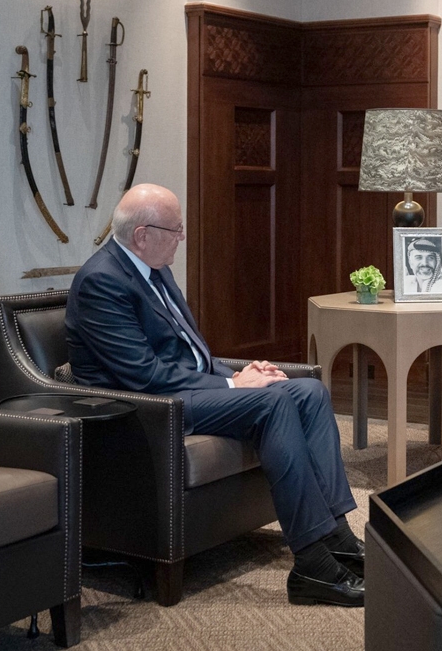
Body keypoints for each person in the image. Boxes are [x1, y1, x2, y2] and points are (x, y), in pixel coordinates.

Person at [65, 184, 365, 607]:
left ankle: (338, 538)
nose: (182, 237)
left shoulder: (154, 268)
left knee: (309, 392)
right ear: (142, 235)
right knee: (274, 401)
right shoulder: (101, 282)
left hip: (183, 391)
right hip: (148, 408)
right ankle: (312, 565)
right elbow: (144, 375)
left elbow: (191, 354)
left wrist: (240, 373)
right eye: (175, 229)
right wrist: (234, 387)